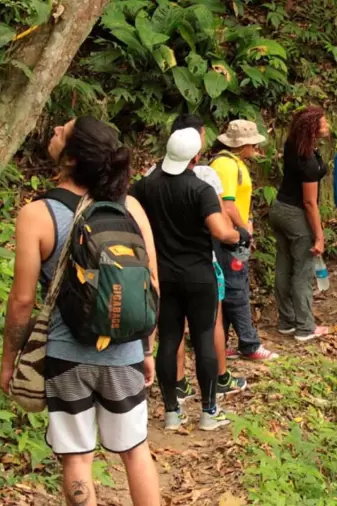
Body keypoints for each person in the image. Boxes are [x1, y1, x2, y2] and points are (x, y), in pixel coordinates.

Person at [0, 117, 161, 505]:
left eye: (62, 131)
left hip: (65, 355)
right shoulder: (131, 208)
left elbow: (22, 302)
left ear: (71, 159)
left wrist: (9, 360)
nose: (54, 129)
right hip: (123, 352)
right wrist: (147, 348)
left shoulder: (36, 215)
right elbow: (152, 285)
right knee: (135, 450)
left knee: (76, 457)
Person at [131, 127, 248, 431]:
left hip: (163, 276)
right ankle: (209, 412)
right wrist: (241, 235)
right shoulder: (200, 189)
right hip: (198, 275)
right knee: (204, 338)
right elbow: (221, 232)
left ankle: (172, 412)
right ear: (196, 156)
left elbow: (128, 211)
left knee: (169, 339)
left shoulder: (145, 186)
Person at [210, 119, 279, 359]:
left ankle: (226, 342)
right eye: (253, 144)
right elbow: (227, 204)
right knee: (236, 286)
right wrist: (244, 231)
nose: (256, 149)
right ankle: (249, 343)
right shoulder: (226, 165)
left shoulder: (233, 163)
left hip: (237, 236)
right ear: (244, 145)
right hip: (229, 237)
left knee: (233, 284)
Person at [269, 108, 332, 341]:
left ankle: (286, 321)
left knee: (284, 265)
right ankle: (305, 326)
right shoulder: (308, 163)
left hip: (279, 209)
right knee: (303, 270)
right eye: (324, 124)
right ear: (312, 128)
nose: (328, 126)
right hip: (296, 214)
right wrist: (319, 235)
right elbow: (309, 202)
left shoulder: (292, 144)